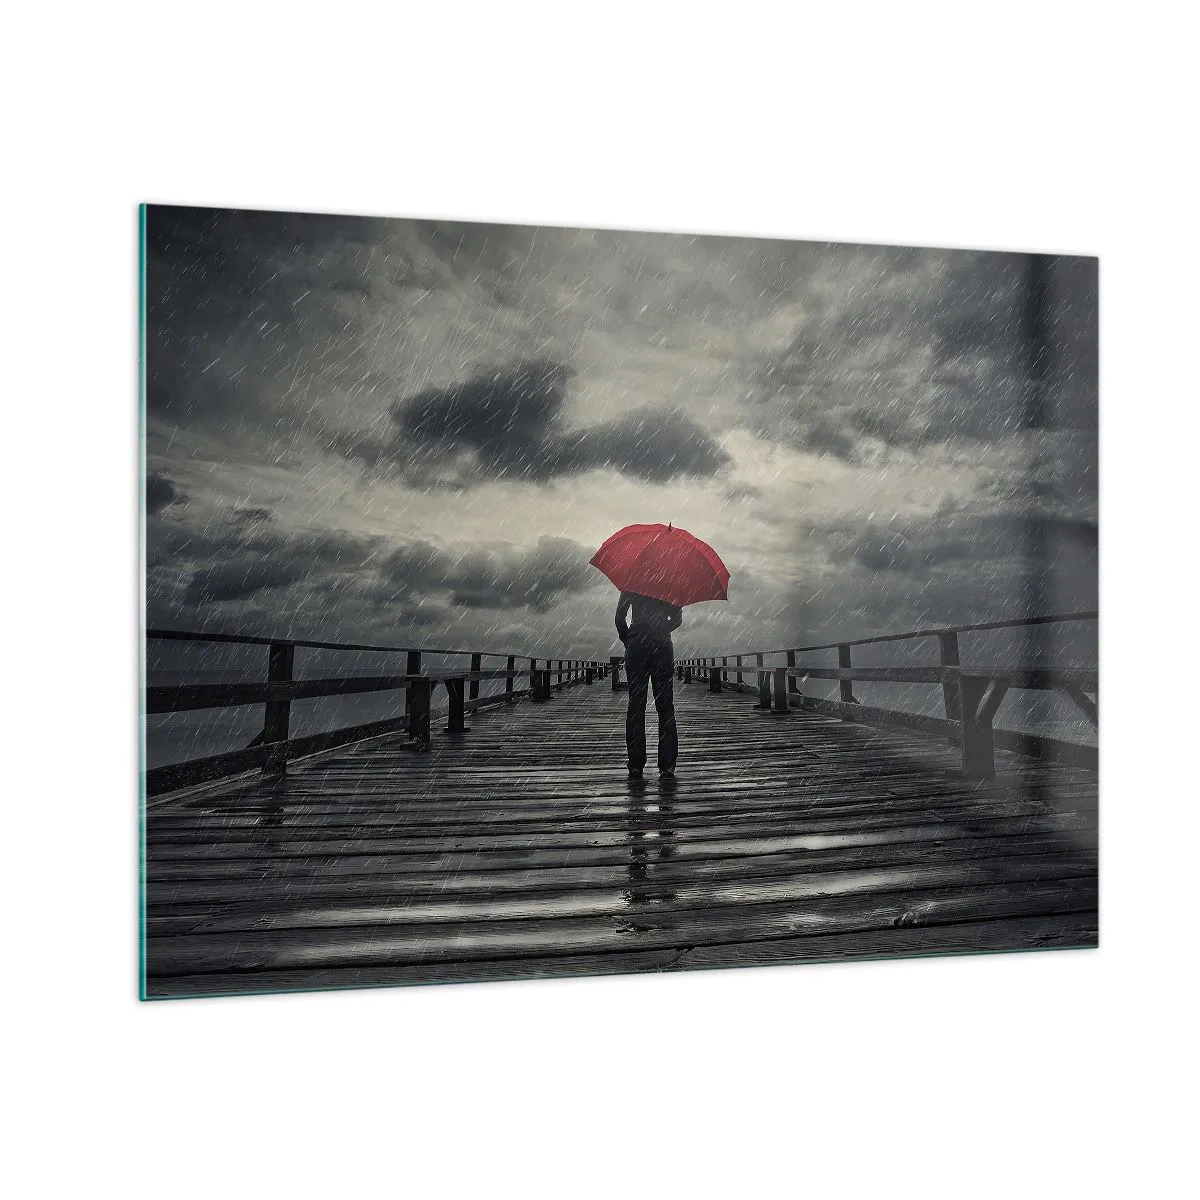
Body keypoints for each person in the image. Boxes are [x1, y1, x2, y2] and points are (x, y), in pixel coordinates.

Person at [616, 590, 682, 779]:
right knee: (666, 706)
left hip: (637, 644)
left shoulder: (631, 583)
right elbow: (677, 619)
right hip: (662, 644)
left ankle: (636, 764)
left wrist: (630, 637)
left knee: (636, 705)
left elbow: (620, 617)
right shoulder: (669, 584)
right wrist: (661, 628)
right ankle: (667, 765)